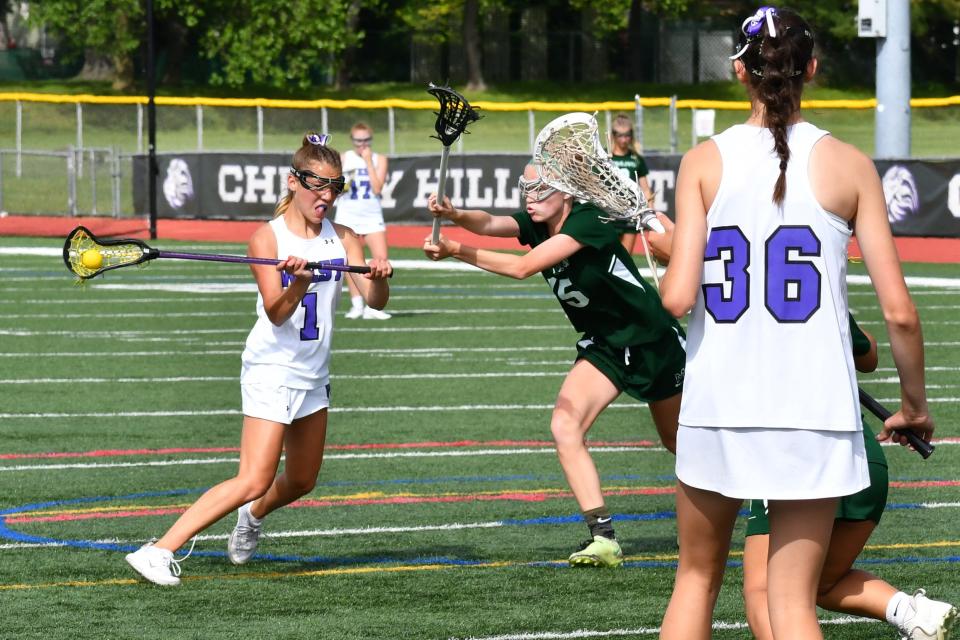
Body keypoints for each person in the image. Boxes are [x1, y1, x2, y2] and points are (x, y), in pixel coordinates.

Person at [655, 7, 934, 640]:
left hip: (719, 401)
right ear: (811, 67)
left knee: (696, 579)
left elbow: (676, 299)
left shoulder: (702, 161)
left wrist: (654, 238)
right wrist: (914, 405)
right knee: (791, 601)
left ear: (738, 71)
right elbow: (899, 314)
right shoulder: (849, 164)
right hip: (814, 407)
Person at [124, 133, 392, 586]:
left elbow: (376, 300)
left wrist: (380, 276)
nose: (326, 197)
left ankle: (254, 515)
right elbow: (276, 311)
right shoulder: (265, 238)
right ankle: (157, 550)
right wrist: (299, 283)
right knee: (253, 476)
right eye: (318, 186)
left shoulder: (344, 237)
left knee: (303, 480)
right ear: (294, 181)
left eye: (335, 188)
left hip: (313, 373)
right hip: (271, 369)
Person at [423, 161, 686, 568]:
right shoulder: (538, 221)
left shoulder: (587, 220)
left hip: (650, 340)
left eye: (540, 189)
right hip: (605, 346)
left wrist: (455, 249)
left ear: (566, 192)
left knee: (681, 444)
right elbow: (491, 223)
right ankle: (604, 538)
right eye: (525, 188)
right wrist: (455, 215)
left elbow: (522, 267)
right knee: (565, 424)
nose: (530, 197)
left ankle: (757, 495)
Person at [742, 314, 957, 640]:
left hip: (796, 452)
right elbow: (868, 355)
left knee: (766, 588)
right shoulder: (812, 278)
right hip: (863, 456)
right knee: (819, 583)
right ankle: (914, 613)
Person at [336, 122, 392, 320]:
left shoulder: (379, 159)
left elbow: (377, 189)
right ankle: (357, 304)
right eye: (358, 141)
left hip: (371, 215)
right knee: (352, 262)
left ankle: (374, 305)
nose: (362, 144)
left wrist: (368, 162)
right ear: (352, 141)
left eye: (366, 140)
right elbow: (335, 187)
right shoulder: (343, 158)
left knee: (381, 260)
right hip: (347, 215)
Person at [608, 114, 656, 254]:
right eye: (620, 135)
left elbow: (645, 189)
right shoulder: (606, 156)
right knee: (607, 256)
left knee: (625, 258)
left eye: (627, 135)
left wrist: (651, 212)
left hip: (630, 212)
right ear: (613, 135)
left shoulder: (636, 159)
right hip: (609, 213)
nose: (624, 139)